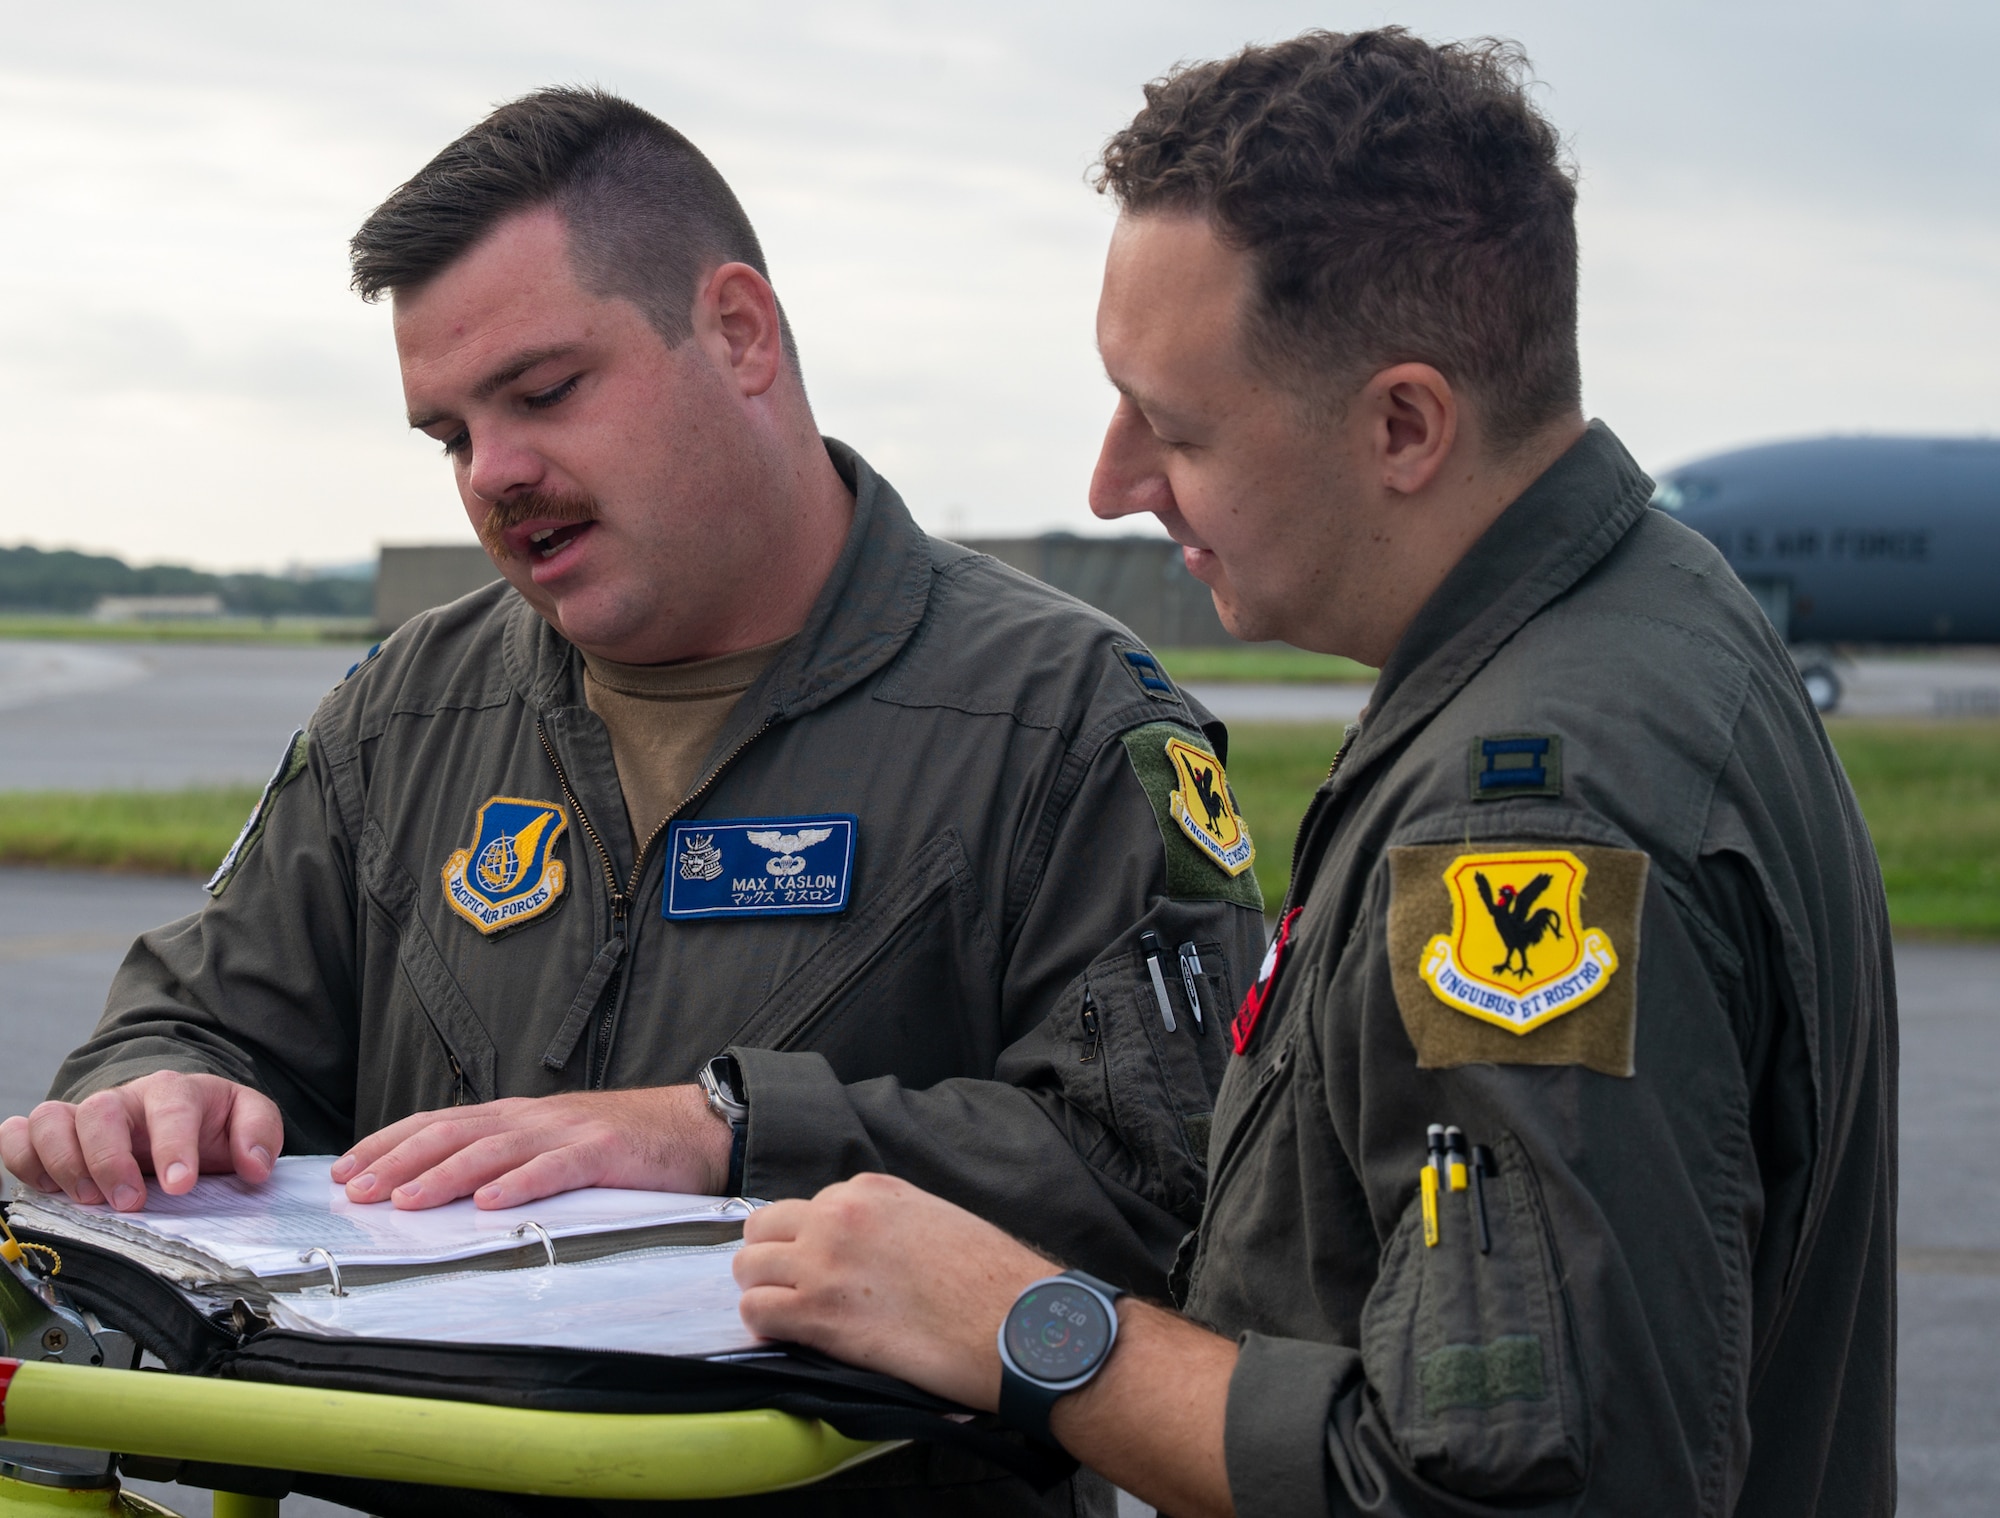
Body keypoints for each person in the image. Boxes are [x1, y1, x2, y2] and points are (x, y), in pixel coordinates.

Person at [1, 87, 1268, 1515]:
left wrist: (726, 1134)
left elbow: (1176, 1182)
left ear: (738, 333)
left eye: (543, 394)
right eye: (450, 433)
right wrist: (148, 1097)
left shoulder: (1062, 720)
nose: (495, 475)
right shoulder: (403, 712)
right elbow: (201, 1012)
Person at [731, 29, 1896, 1518]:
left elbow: (1501, 1490)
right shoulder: (1641, 623)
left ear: (1405, 424)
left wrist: (1020, 1323)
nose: (1113, 481)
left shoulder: (1528, 809)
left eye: (1176, 424)